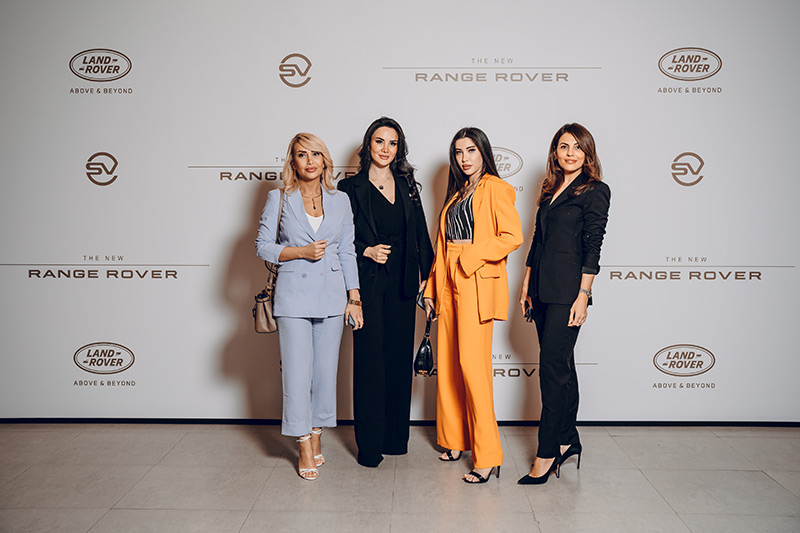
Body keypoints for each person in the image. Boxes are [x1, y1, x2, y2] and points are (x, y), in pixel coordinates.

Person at [255, 132, 364, 481]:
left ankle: (317, 433)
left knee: (324, 374)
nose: (310, 161)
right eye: (302, 155)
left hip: (332, 296)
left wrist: (354, 298)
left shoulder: (340, 200)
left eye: (316, 154)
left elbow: (347, 250)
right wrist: (299, 252)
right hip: (293, 297)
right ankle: (303, 443)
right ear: (293, 161)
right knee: (298, 375)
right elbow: (262, 246)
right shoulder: (279, 198)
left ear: (325, 160)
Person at [423, 127, 523, 484]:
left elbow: (512, 236)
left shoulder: (496, 188)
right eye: (458, 152)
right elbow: (442, 246)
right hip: (447, 279)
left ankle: (487, 456)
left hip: (474, 280)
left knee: (472, 367)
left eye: (471, 151)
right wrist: (432, 289)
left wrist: (470, 258)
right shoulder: (456, 193)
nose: (464, 158)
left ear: (483, 153)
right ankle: (454, 440)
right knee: (449, 365)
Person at [337, 117, 434, 467]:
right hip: (368, 282)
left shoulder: (408, 185)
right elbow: (338, 239)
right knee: (369, 361)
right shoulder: (349, 188)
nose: (385, 149)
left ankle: (395, 438)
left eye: (392, 143)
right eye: (379, 141)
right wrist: (366, 250)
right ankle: (369, 445)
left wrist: (429, 280)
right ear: (369, 145)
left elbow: (421, 234)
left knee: (397, 360)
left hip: (404, 283)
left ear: (399, 148)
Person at [517, 123, 610, 485]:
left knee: (552, 370)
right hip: (541, 290)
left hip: (569, 293)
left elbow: (593, 247)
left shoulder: (595, 191)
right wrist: (526, 284)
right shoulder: (549, 189)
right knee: (563, 366)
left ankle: (547, 453)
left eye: (577, 147)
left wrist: (583, 296)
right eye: (563, 146)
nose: (570, 153)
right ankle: (569, 438)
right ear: (554, 152)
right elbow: (538, 240)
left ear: (588, 153)